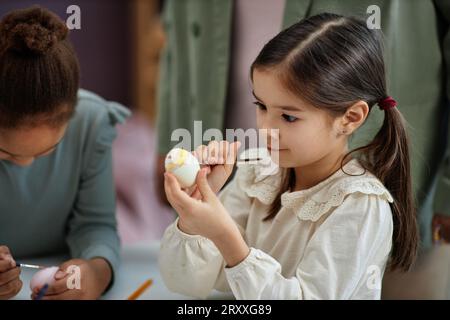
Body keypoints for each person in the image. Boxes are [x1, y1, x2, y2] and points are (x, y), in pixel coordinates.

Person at [159, 13, 418, 299]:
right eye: (261, 106)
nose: (266, 128)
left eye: (289, 117)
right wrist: (196, 209)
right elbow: (187, 284)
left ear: (350, 117)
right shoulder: (258, 172)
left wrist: (225, 236)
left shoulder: (359, 205)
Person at [0, 6, 130, 300]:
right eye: (6, 153)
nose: (25, 164)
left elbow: (96, 224)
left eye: (48, 150)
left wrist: (96, 273)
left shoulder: (91, 122)